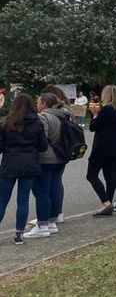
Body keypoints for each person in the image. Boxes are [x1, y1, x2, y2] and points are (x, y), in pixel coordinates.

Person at [0, 94, 49, 244]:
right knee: (23, 199)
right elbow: (43, 146)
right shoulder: (37, 123)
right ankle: (19, 234)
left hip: (10, 164)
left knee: (2, 199)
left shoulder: (6, 123)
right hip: (30, 164)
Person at [26, 92, 70, 238]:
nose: (37, 105)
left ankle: (42, 224)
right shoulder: (63, 115)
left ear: (44, 103)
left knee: (41, 191)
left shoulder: (44, 116)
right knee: (54, 189)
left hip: (46, 158)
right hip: (60, 156)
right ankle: (52, 221)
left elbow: (41, 137)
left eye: (38, 102)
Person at [86, 85, 116, 216]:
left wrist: (95, 115)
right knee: (109, 175)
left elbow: (93, 127)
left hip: (101, 147)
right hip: (114, 147)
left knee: (91, 175)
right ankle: (108, 200)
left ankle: (105, 201)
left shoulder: (105, 110)